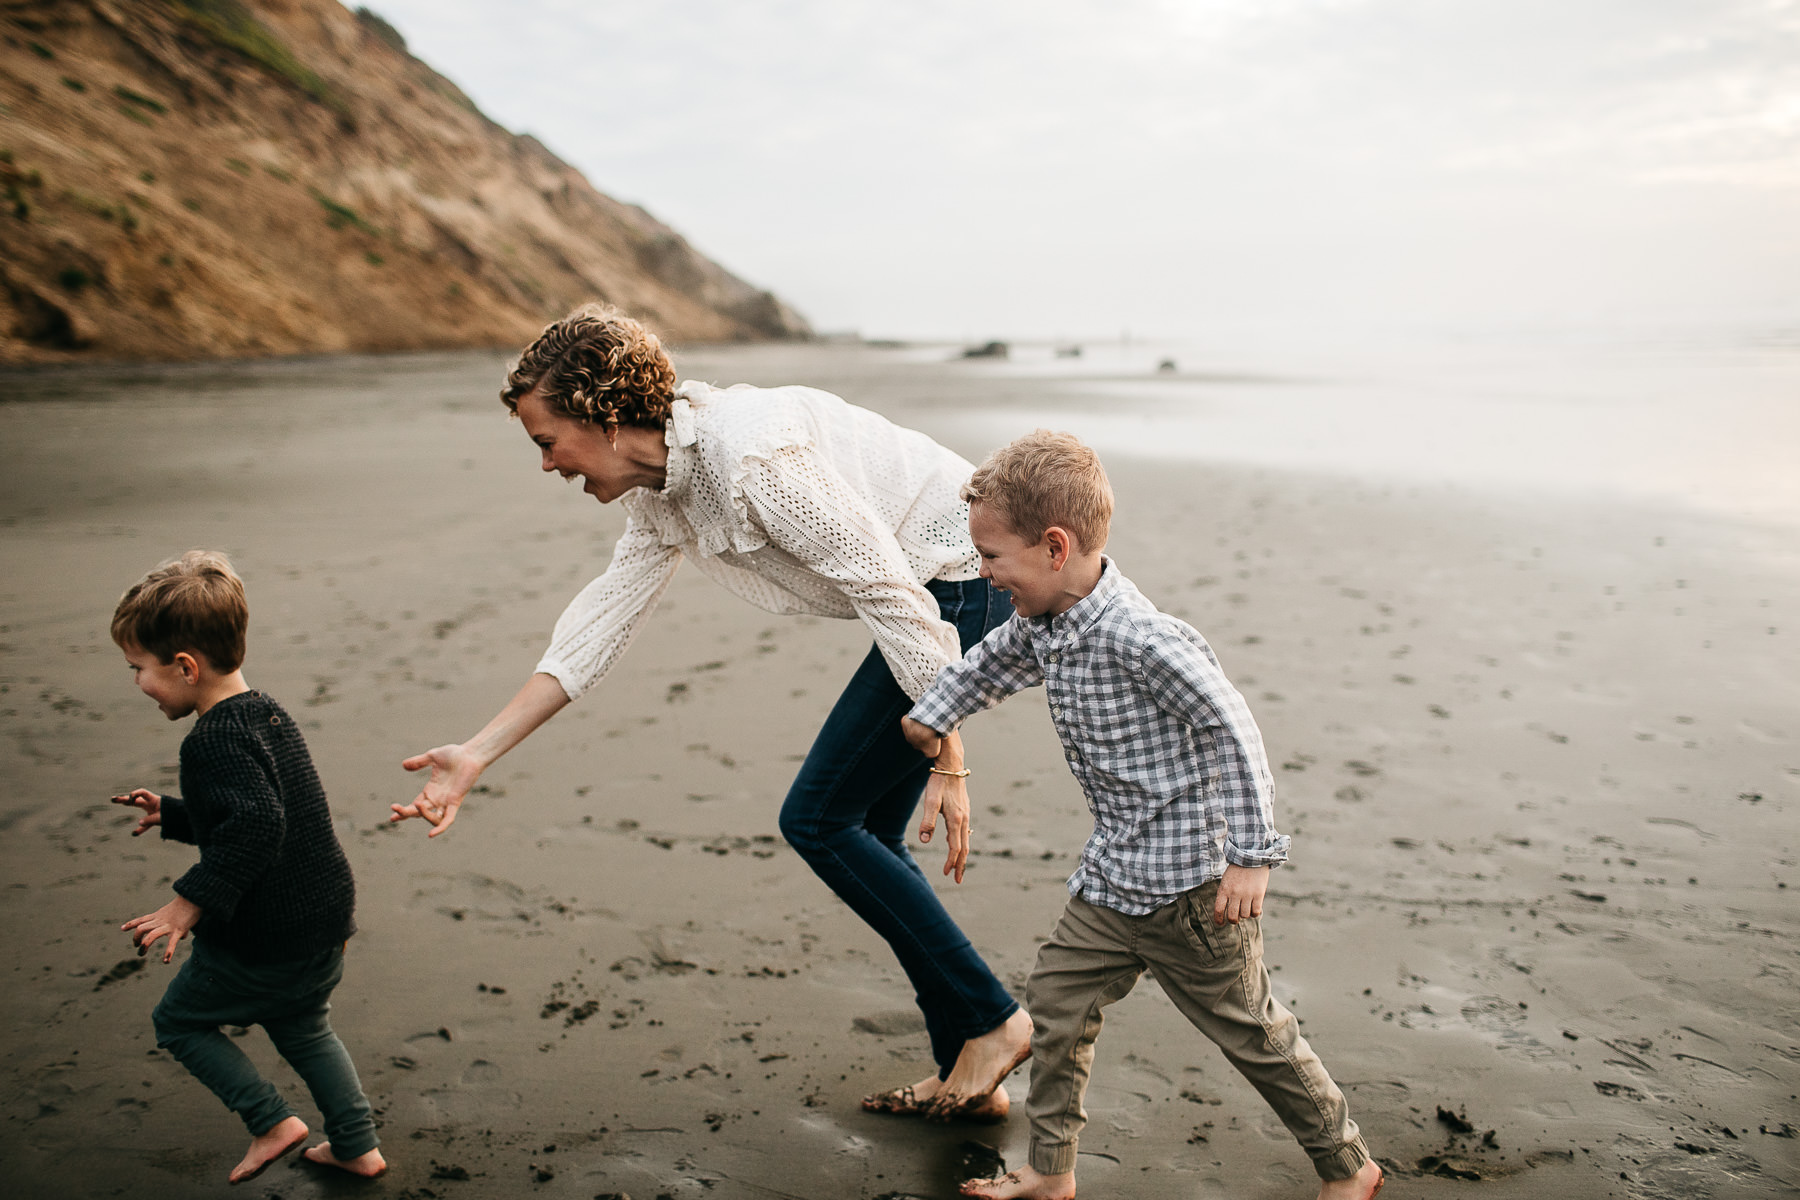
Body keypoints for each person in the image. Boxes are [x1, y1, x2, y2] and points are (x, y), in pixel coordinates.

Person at [390, 305, 1033, 1118]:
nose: (546, 465)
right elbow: (600, 623)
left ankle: (994, 1022)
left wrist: (949, 755)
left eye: (547, 441)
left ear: (611, 419)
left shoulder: (751, 458)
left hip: (959, 586)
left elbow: (891, 593)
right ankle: (966, 1067)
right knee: (861, 830)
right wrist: (478, 752)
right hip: (927, 598)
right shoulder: (663, 490)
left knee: (821, 821)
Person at [902, 432, 1384, 1200]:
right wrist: (936, 713)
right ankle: (1051, 1173)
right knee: (1057, 1009)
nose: (984, 573)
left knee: (1253, 1033)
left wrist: (1253, 855)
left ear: (1054, 547)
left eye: (992, 557)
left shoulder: (1141, 637)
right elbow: (996, 662)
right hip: (1115, 877)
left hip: (1194, 891)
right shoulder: (1048, 624)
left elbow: (1232, 728)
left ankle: (1348, 1165)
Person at [108, 551, 387, 1183]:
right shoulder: (266, 714)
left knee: (178, 1022)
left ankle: (268, 1121)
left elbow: (258, 823)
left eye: (139, 669)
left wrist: (188, 902)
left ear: (185, 666)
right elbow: (259, 810)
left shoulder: (210, 740)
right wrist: (178, 815)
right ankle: (354, 1144)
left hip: (263, 935)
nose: (137, 685)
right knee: (305, 1028)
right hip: (319, 921)